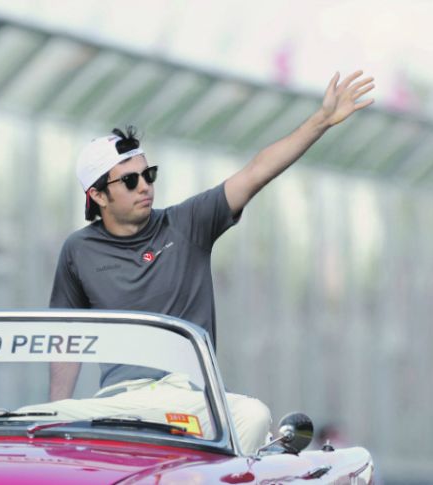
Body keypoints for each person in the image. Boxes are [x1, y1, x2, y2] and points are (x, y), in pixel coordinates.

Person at [47, 70, 375, 454]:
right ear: (98, 196)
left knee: (253, 416)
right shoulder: (78, 250)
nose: (146, 186)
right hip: (120, 400)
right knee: (35, 421)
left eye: (148, 175)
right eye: (130, 181)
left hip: (190, 397)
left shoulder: (187, 223)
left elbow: (256, 172)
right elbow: (66, 339)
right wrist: (57, 416)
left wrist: (322, 120)